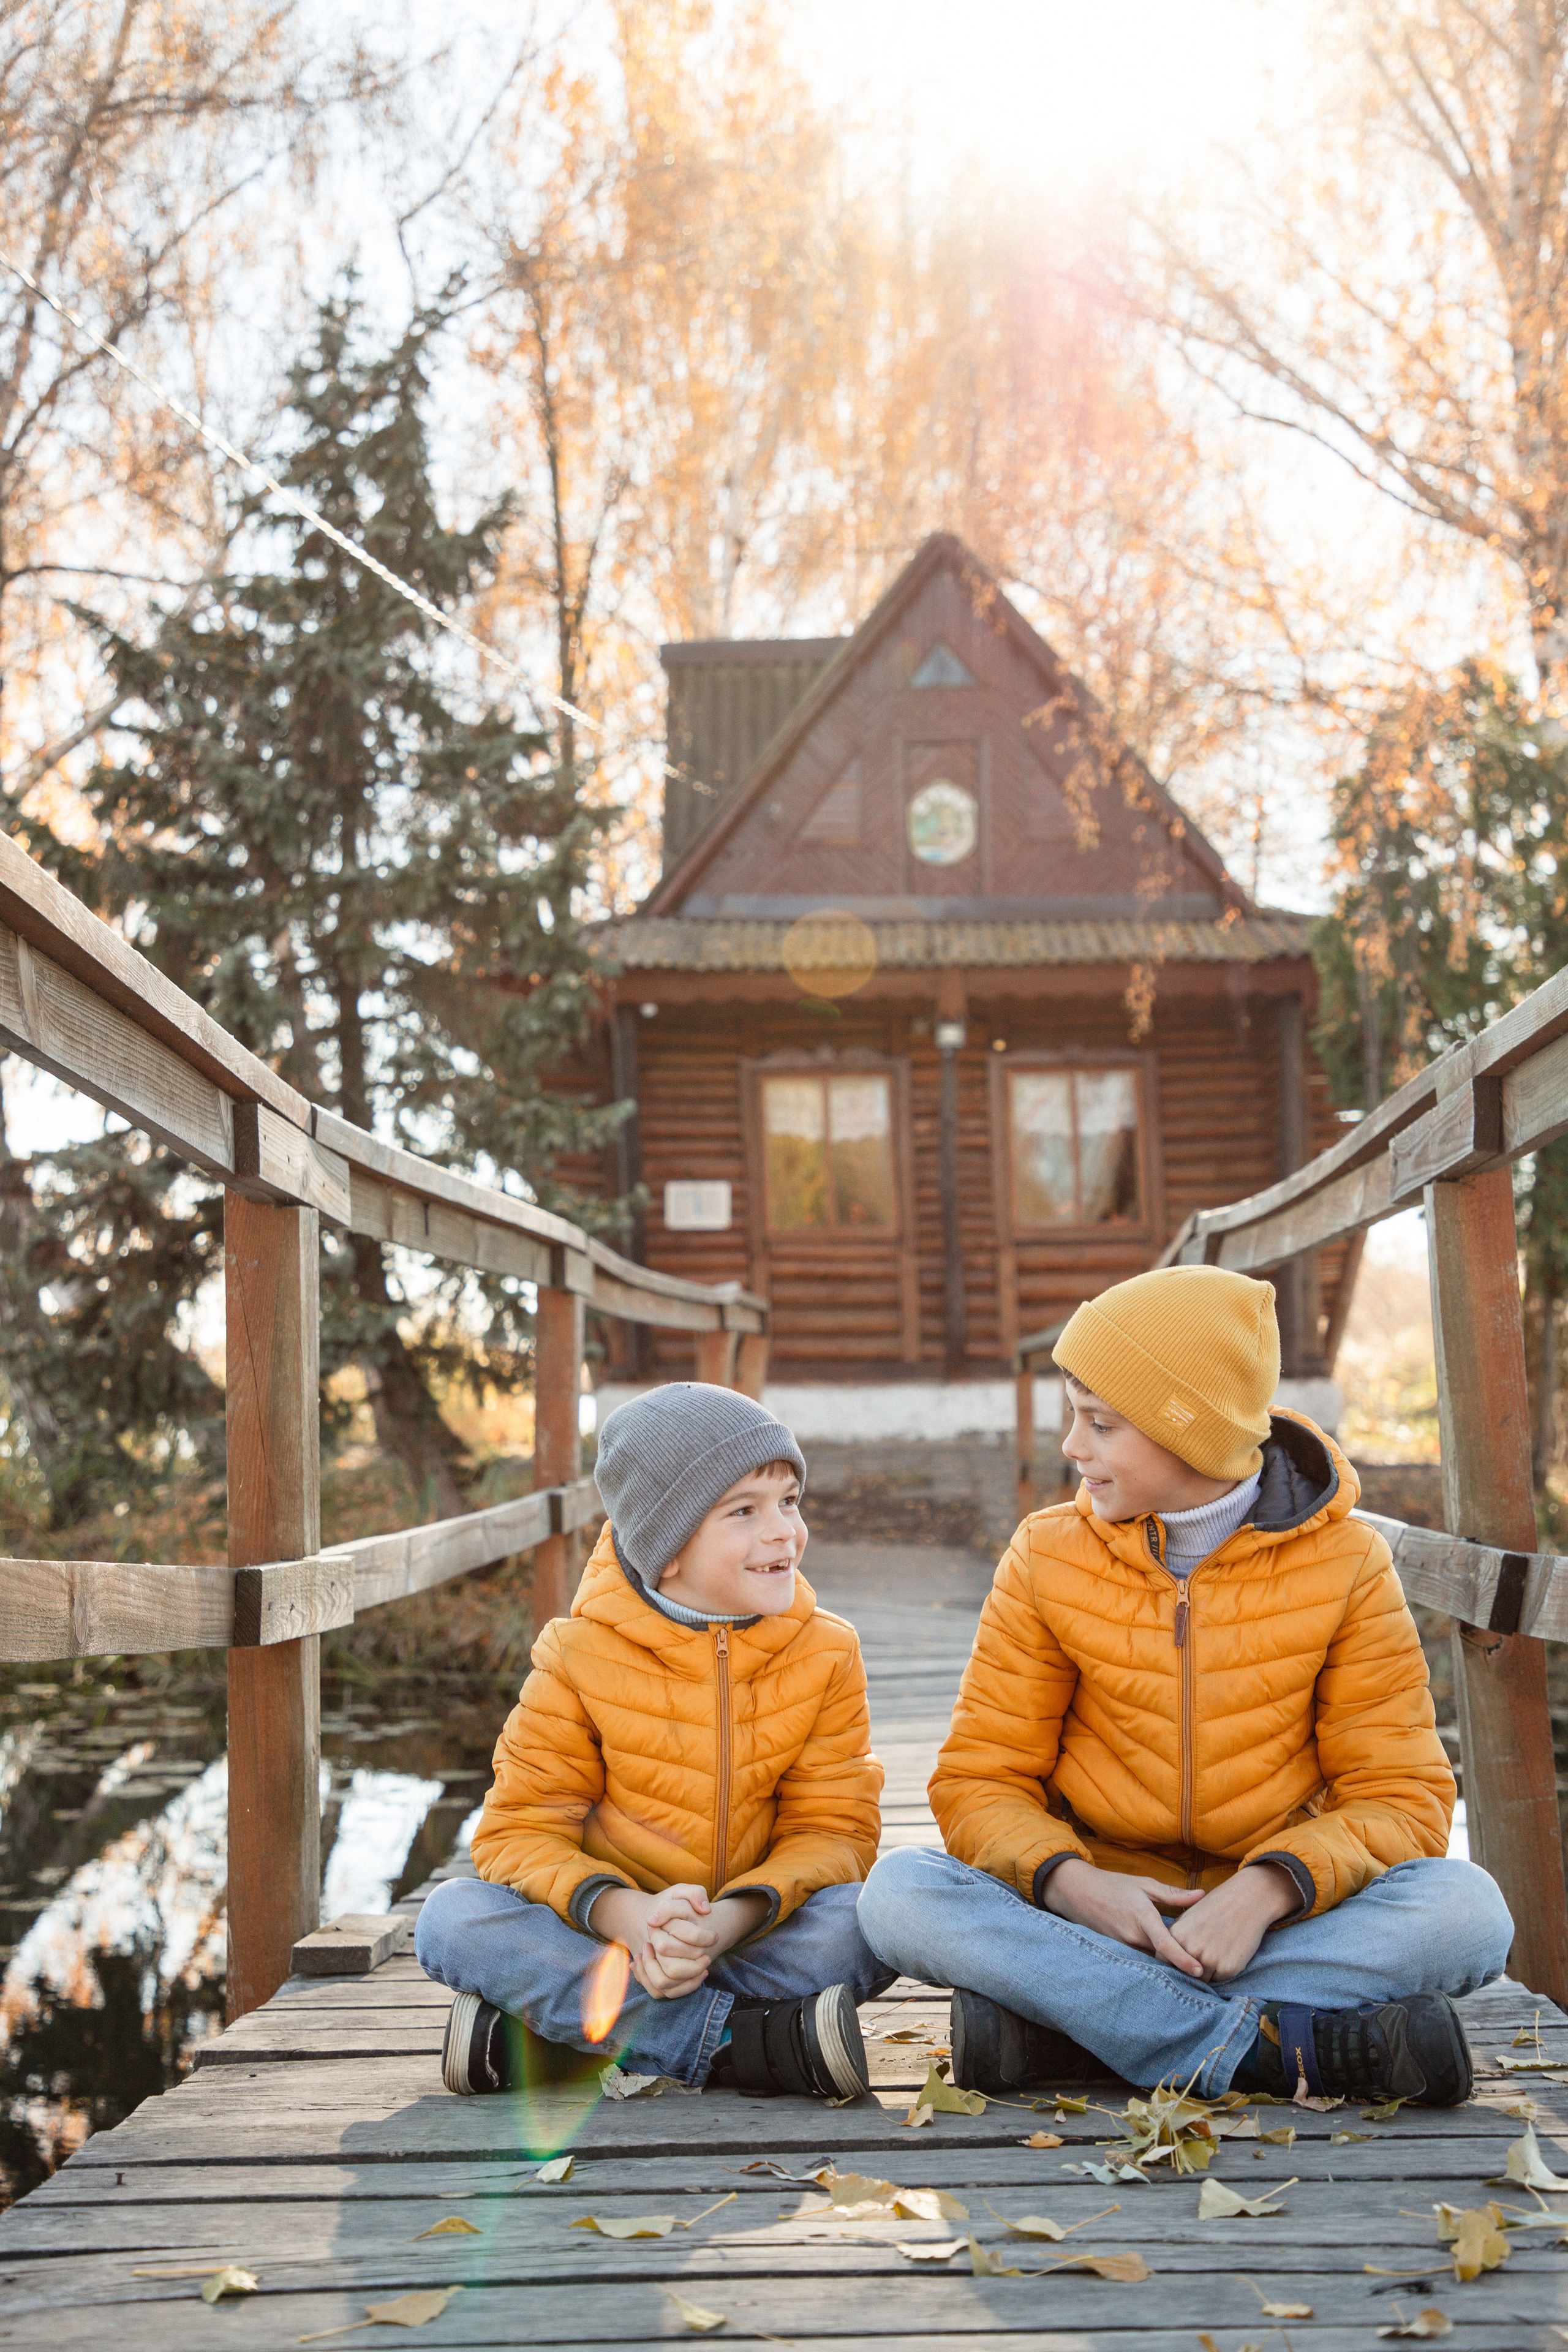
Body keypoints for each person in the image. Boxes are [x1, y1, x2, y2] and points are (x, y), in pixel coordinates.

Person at [857, 1264, 1512, 2107]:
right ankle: (1268, 2048)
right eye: (1072, 1416)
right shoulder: (1047, 1554)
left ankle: (1074, 2029)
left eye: (1100, 1423)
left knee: (1469, 1911)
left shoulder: (1347, 1566)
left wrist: (1270, 1888)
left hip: (1274, 1921)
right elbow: (981, 1781)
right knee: (900, 1894)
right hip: (1094, 1912)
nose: (1071, 1447)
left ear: (1190, 1435)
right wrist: (1075, 1884)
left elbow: (1403, 1793)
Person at [417, 1381, 892, 2100]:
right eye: (744, 1511)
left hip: (752, 1935)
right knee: (451, 1919)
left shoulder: (826, 1652)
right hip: (606, 1940)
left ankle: (562, 2042)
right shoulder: (577, 1656)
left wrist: (728, 1922)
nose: (784, 1532)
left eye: (789, 1501)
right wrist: (630, 1919)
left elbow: (835, 1831)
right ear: (666, 1549)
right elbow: (517, 1834)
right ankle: (739, 2043)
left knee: (881, 1914)